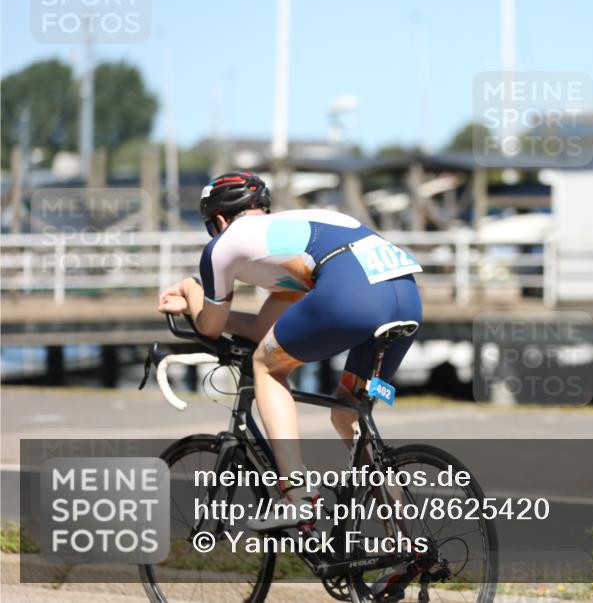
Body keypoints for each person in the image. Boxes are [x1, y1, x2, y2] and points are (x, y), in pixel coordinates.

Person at [157, 172, 423, 532]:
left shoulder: (222, 245)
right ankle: (405, 539)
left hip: (351, 291)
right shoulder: (290, 246)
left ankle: (297, 495)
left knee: (266, 367)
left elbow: (210, 327)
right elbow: (260, 330)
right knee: (347, 413)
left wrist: (191, 291)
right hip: (404, 293)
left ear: (218, 220)